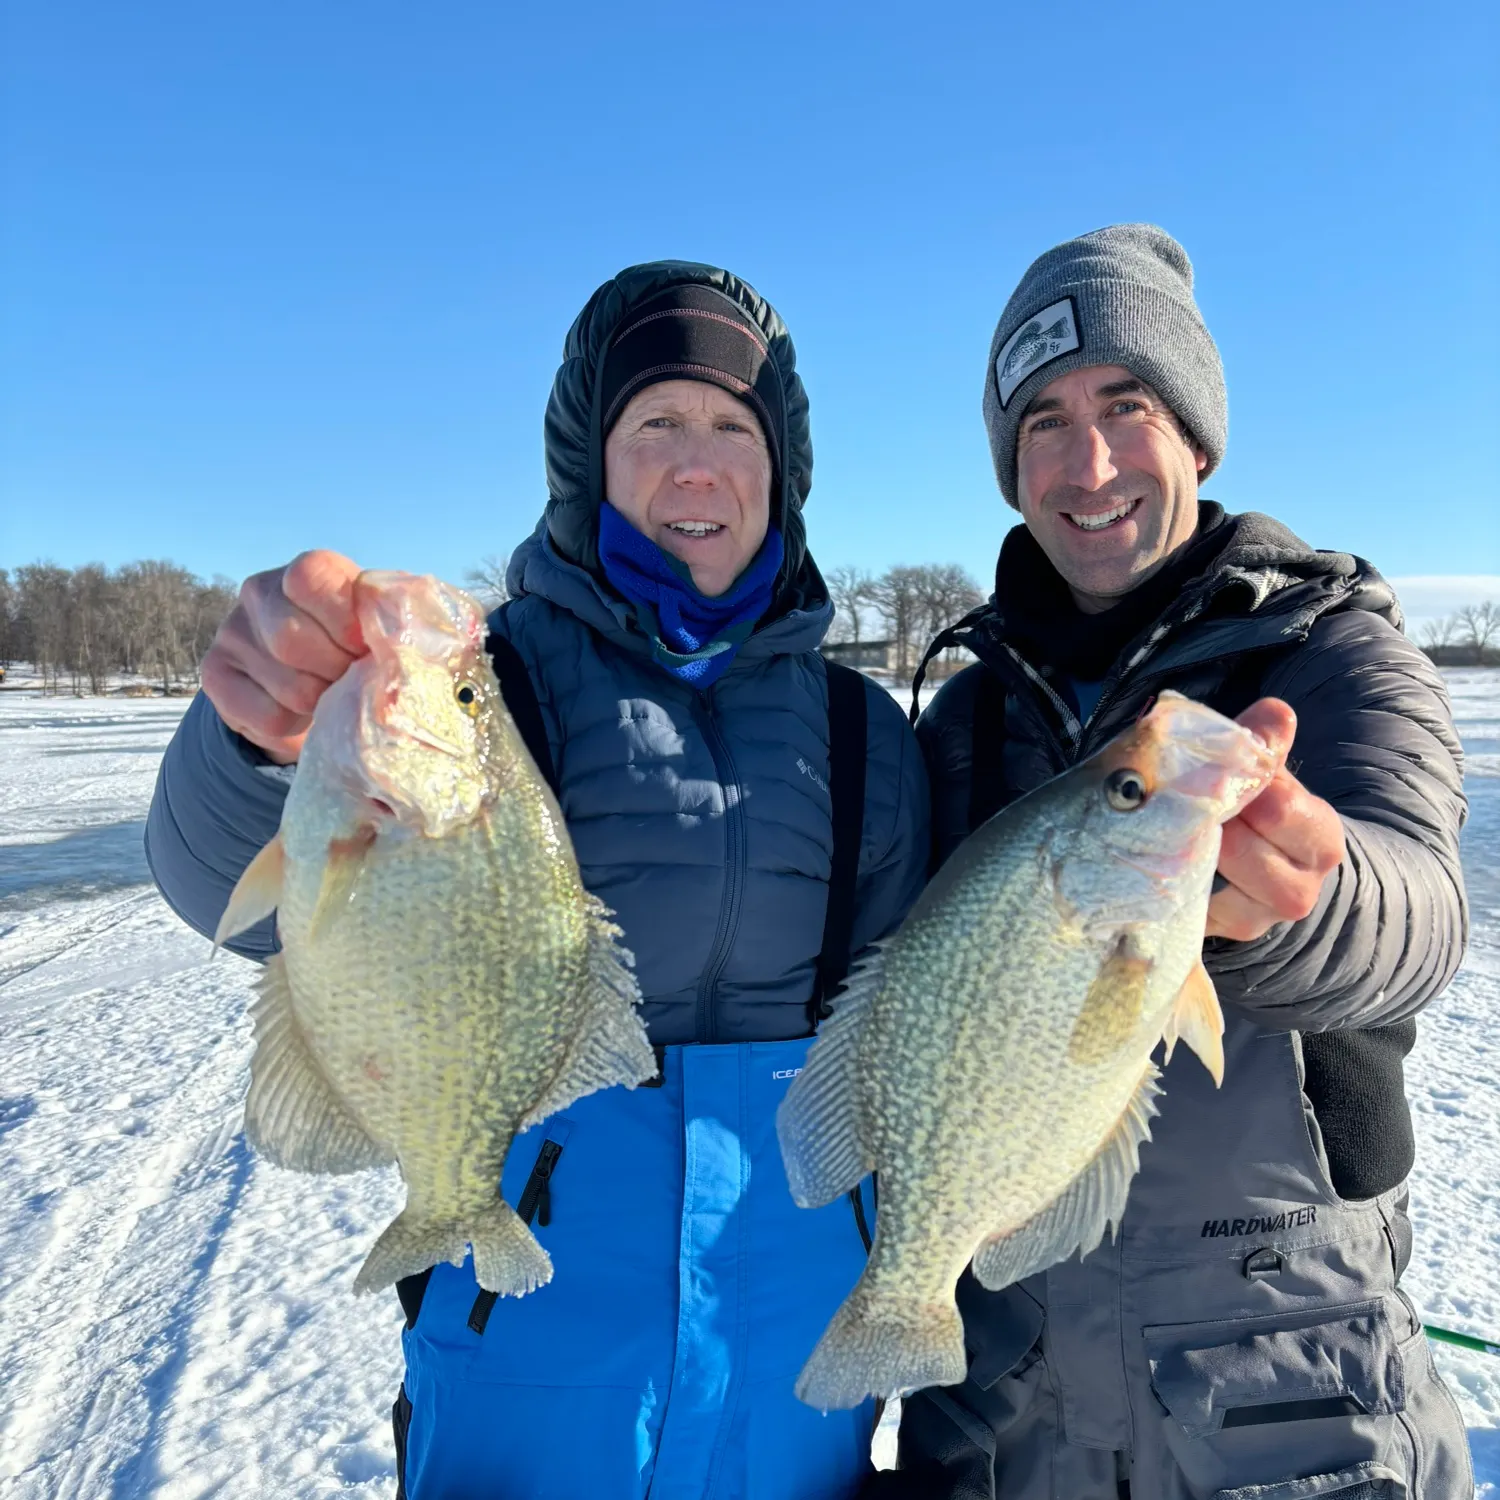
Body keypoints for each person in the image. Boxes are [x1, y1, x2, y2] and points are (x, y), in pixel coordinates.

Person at [145, 261, 929, 1499]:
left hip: (792, 1344)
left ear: (782, 470)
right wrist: (259, 739)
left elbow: (899, 1031)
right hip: (533, 1322)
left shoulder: (862, 730)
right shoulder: (480, 686)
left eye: (734, 426)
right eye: (655, 422)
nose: (697, 464)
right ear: (588, 460)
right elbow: (213, 888)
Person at [882, 225, 1473, 1498]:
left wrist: (1309, 909)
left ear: (1198, 437)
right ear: (1008, 465)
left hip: (1288, 1403)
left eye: (1127, 404)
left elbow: (1421, 914)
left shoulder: (1334, 655)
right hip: (1003, 1420)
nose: (1087, 462)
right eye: (1042, 419)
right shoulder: (961, 721)